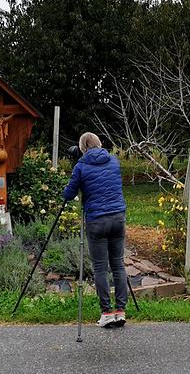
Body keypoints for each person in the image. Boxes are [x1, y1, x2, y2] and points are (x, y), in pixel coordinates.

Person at [63, 132, 128, 328]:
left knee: (100, 267)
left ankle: (107, 312)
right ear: (100, 144)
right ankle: (121, 311)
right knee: (118, 265)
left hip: (97, 220)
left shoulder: (81, 166)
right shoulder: (114, 161)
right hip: (118, 217)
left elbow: (68, 194)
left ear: (82, 148)